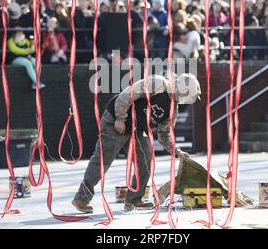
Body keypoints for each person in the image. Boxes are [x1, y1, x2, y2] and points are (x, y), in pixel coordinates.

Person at [72, 73, 200, 213]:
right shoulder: (158, 84)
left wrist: (177, 151)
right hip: (116, 120)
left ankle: (134, 199)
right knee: (103, 160)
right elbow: (126, 96)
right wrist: (120, 118)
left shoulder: (172, 109)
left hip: (135, 129)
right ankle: (81, 198)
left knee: (145, 160)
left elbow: (164, 134)